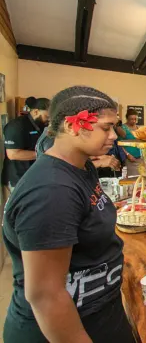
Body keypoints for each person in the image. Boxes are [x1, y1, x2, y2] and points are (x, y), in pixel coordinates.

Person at [2, 86, 135, 342]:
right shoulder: (51, 190)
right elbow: (46, 295)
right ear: (73, 126)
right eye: (105, 128)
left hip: (99, 313)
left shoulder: (83, 166)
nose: (113, 137)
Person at [2, 97, 50, 190]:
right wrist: (44, 155)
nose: (48, 120)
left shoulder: (40, 124)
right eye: (46, 117)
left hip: (32, 175)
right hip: (18, 178)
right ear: (36, 112)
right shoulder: (16, 126)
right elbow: (13, 154)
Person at [36, 127, 123, 177]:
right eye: (105, 128)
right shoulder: (51, 141)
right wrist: (99, 163)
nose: (114, 136)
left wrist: (98, 157)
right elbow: (65, 167)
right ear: (70, 126)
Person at [116, 109, 142, 176]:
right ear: (127, 118)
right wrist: (127, 154)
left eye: (135, 119)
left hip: (140, 157)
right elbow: (119, 144)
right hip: (129, 158)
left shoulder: (138, 128)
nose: (133, 121)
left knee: (140, 178)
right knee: (131, 178)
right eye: (131, 119)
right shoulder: (122, 128)